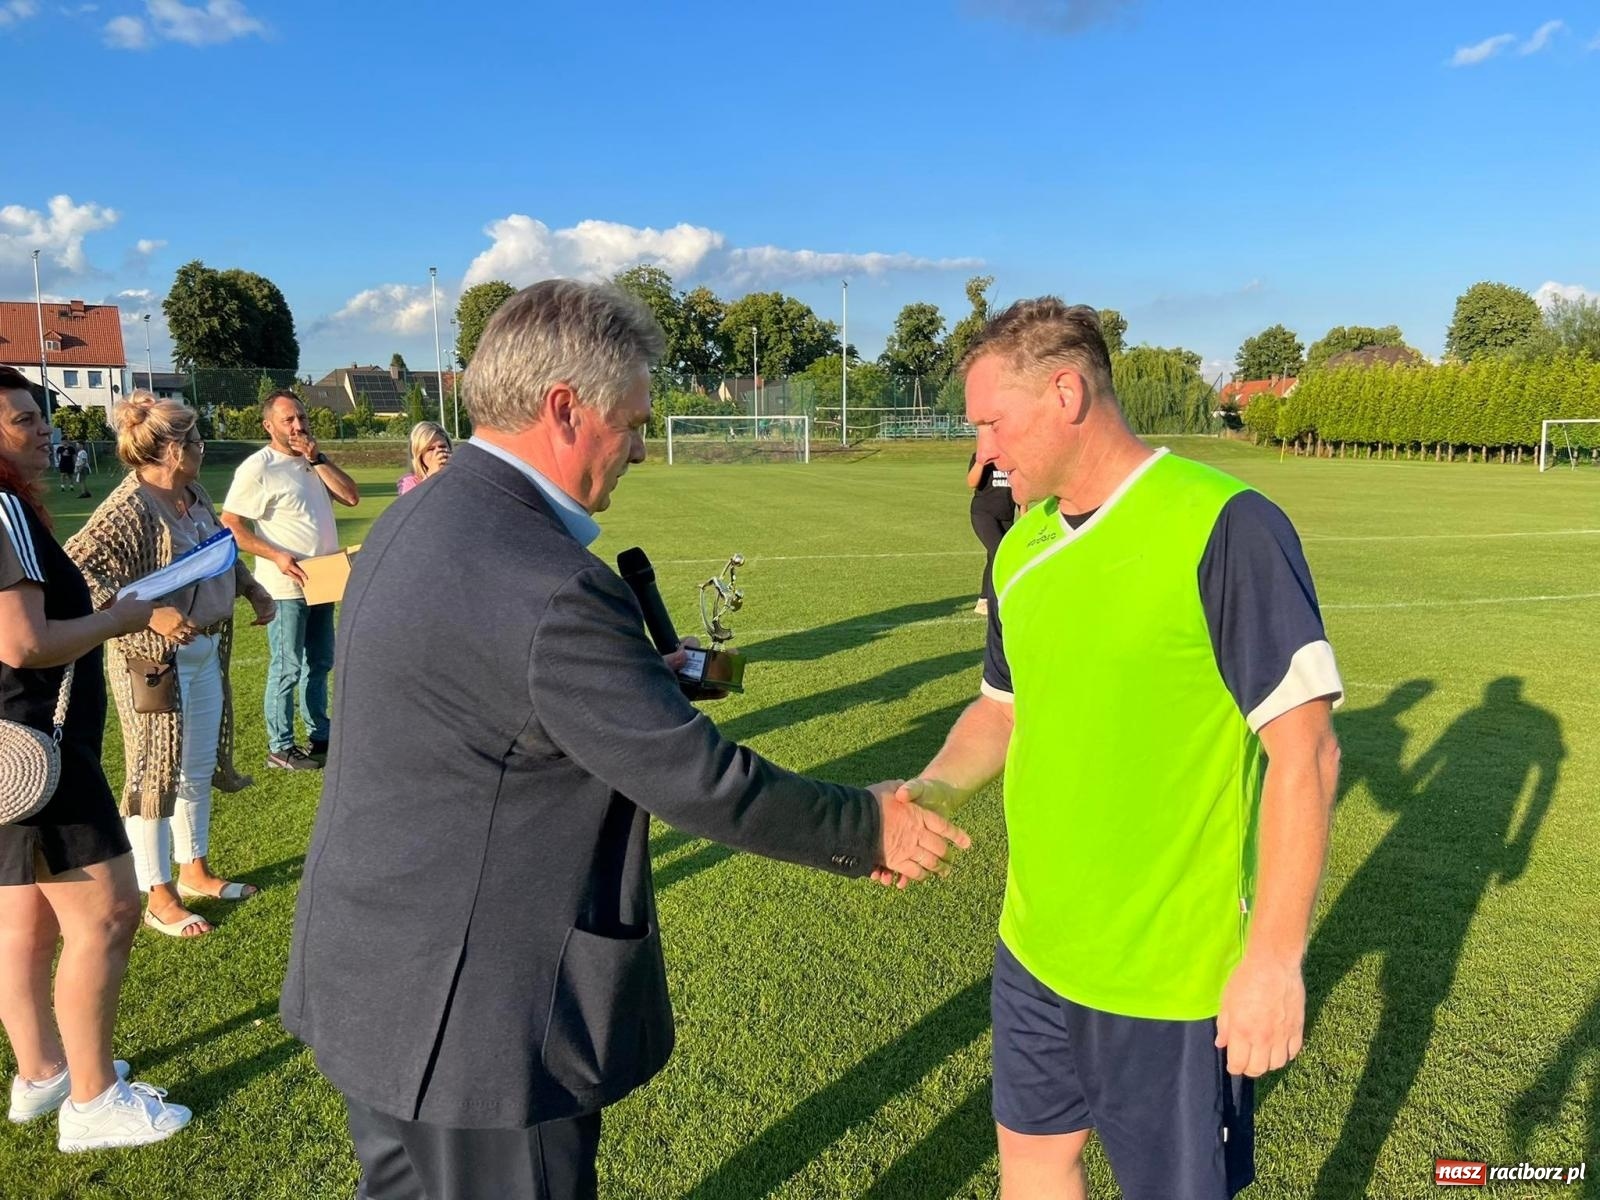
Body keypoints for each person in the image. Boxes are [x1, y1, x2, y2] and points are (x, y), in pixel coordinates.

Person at [280, 280, 970, 1200]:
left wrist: (636, 679)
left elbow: (493, 707)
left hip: (380, 983)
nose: (644, 445)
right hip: (483, 1025)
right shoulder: (548, 581)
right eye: (635, 421)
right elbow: (698, 778)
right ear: (565, 408)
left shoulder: (421, 513)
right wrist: (868, 825)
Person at [892, 300, 1343, 1200]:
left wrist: (1274, 958)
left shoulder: (1226, 525)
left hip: (1169, 974)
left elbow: (1309, 754)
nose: (980, 448)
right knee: (1033, 1162)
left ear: (1066, 392)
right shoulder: (1019, 547)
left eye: (990, 420)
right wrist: (929, 792)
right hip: (1035, 945)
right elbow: (1003, 710)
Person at [0, 367, 192, 1150]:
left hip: (14, 745)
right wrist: (124, 619)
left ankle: (43, 1073)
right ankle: (92, 1101)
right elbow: (25, 642)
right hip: (37, 742)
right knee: (107, 913)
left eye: (37, 414)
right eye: (20, 420)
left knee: (24, 920)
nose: (41, 427)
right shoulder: (5, 507)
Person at [65, 394, 277, 939]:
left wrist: (251, 588)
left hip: (204, 650)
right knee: (153, 771)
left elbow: (219, 549)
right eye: (197, 440)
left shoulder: (192, 492)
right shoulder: (128, 507)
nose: (203, 448)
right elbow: (77, 574)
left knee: (197, 765)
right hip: (151, 663)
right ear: (175, 449)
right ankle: (157, 891)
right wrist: (150, 614)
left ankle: (195, 869)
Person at [219, 391, 359, 771]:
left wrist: (317, 458)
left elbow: (351, 497)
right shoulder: (258, 467)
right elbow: (230, 523)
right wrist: (277, 555)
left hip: (324, 580)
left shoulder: (313, 461)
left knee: (321, 662)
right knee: (288, 667)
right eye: (288, 420)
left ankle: (320, 733)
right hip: (285, 587)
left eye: (301, 417)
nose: (298, 426)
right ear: (269, 425)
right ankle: (280, 746)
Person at [966, 449, 1015, 616]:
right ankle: (990, 599)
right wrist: (981, 461)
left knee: (995, 555)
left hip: (1006, 515)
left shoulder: (1014, 456)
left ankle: (985, 599)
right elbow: (971, 482)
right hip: (983, 513)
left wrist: (1024, 516)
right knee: (998, 552)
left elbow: (1019, 490)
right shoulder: (982, 456)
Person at [397, 420, 452, 495]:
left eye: (442, 446)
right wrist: (431, 474)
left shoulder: (457, 475)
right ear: (419, 454)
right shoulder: (409, 482)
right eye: (431, 449)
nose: (438, 452)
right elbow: (410, 504)